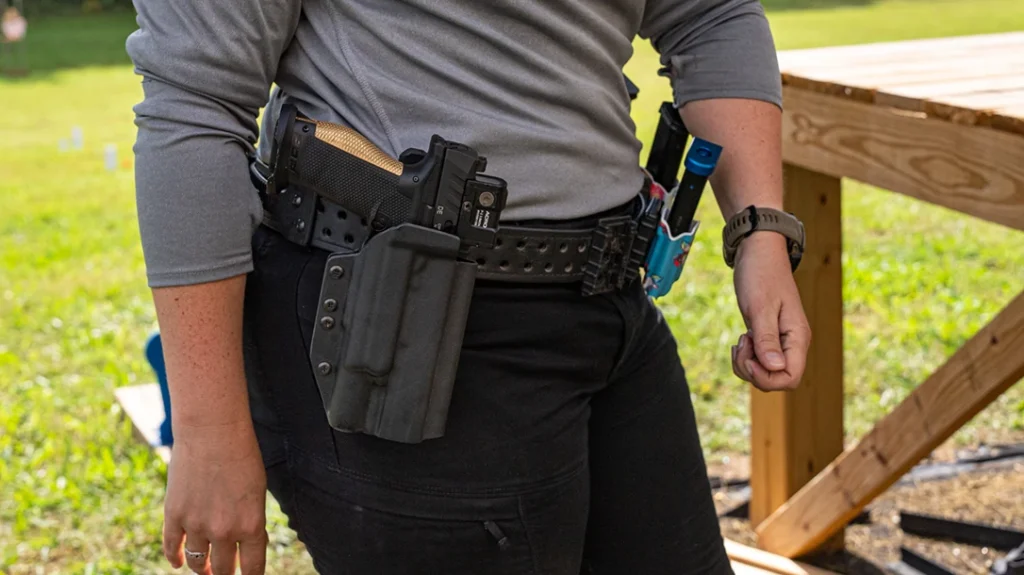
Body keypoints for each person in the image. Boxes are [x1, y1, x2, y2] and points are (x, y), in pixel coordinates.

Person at [125, 0, 811, 574]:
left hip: (608, 303)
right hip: (402, 327)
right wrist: (208, 431)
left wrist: (760, 230)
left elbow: (709, 15)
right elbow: (195, 105)